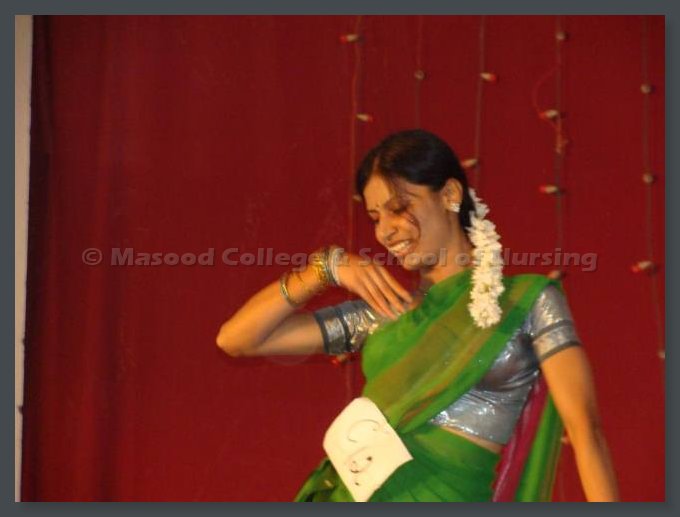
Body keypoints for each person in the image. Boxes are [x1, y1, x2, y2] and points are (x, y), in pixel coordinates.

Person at [215, 129, 620, 502]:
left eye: (399, 208)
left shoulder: (525, 302)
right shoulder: (385, 311)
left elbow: (586, 431)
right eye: (375, 218)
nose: (385, 231)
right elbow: (237, 339)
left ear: (449, 195)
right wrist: (325, 269)